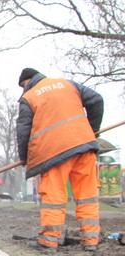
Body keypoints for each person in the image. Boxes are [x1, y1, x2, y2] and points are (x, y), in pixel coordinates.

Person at [16, 68, 103, 252]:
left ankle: (49, 241)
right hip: (84, 147)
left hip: (54, 153)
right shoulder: (67, 84)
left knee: (53, 198)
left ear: (26, 82)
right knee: (87, 197)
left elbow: (23, 132)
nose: (23, 90)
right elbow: (96, 100)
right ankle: (91, 242)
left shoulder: (29, 97)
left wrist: (25, 158)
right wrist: (91, 131)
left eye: (23, 86)